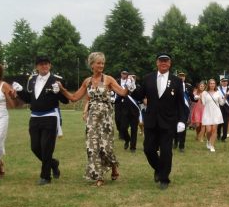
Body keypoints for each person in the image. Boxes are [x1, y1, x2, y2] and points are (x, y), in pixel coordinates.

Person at [58, 52, 132, 187]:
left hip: (106, 117)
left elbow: (122, 93)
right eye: (98, 63)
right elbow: (74, 98)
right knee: (92, 147)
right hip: (92, 118)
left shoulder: (108, 79)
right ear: (91, 65)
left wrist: (129, 86)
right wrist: (62, 90)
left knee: (106, 147)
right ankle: (99, 177)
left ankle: (113, 166)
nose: (101, 65)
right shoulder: (87, 81)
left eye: (103, 63)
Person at [130, 53, 186, 190]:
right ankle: (159, 169)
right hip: (151, 120)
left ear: (170, 63)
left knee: (166, 151)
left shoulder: (176, 81)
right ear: (157, 63)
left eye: (166, 61)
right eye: (161, 61)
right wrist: (132, 87)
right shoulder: (148, 78)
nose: (163, 63)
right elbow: (140, 95)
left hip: (169, 121)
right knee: (148, 149)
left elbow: (181, 103)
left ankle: (164, 178)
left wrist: (182, 120)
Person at [14, 55, 69, 185]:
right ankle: (53, 163)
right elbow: (29, 99)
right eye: (41, 64)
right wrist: (20, 91)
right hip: (34, 117)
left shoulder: (57, 80)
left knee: (46, 148)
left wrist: (59, 92)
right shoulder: (32, 79)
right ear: (36, 67)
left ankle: (45, 176)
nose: (44, 66)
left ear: (50, 65)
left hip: (50, 117)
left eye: (46, 63)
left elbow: (65, 101)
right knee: (35, 147)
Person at [114, 69, 140, 153]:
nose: (132, 79)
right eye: (131, 77)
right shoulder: (125, 87)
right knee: (123, 128)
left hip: (135, 111)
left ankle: (133, 147)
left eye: (133, 77)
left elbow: (140, 97)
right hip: (125, 110)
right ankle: (127, 139)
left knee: (134, 129)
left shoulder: (138, 87)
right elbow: (119, 97)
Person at [200, 78, 225, 152]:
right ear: (208, 84)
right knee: (208, 130)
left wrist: (226, 96)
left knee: (214, 130)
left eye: (213, 83)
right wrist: (200, 97)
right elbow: (203, 103)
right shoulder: (204, 93)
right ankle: (208, 141)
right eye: (211, 83)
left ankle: (212, 145)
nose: (212, 85)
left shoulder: (218, 92)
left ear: (215, 85)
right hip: (207, 113)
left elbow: (222, 103)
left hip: (216, 113)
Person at [173, 71, 192, 152]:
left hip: (184, 110)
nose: (181, 77)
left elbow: (192, 96)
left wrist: (196, 98)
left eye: (183, 76)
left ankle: (181, 146)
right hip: (175, 109)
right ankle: (175, 141)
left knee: (183, 127)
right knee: (175, 127)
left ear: (185, 77)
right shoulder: (173, 85)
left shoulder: (188, 86)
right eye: (180, 76)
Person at [217, 76, 229, 142]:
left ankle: (224, 137)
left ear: (227, 82)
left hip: (227, 107)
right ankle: (218, 135)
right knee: (219, 122)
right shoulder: (217, 89)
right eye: (223, 81)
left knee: (225, 123)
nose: (224, 82)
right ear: (221, 82)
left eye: (225, 81)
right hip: (220, 107)